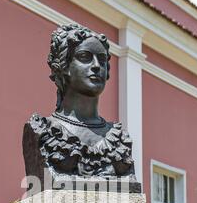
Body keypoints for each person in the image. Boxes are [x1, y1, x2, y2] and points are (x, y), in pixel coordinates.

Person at [23, 23, 137, 180]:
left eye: (102, 60)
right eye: (85, 57)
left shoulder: (119, 140)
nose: (97, 66)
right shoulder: (41, 132)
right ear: (64, 65)